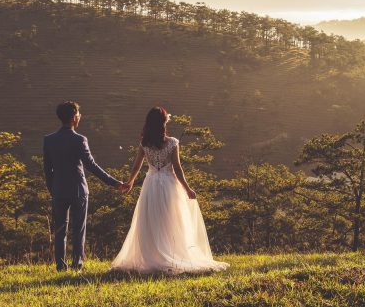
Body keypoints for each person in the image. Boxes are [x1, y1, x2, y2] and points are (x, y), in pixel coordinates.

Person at [111, 106, 229, 274]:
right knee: (171, 219)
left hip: (150, 184)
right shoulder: (172, 142)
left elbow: (137, 165)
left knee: (151, 219)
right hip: (169, 184)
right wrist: (187, 188)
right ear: (163, 123)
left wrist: (130, 182)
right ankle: (171, 253)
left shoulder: (144, 143)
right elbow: (177, 168)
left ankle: (153, 255)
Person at [43, 101, 127, 271]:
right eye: (79, 114)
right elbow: (91, 166)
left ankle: (60, 266)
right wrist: (114, 183)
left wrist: (53, 189)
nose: (80, 117)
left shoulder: (49, 140)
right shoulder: (80, 139)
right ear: (74, 118)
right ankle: (77, 266)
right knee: (78, 230)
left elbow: (47, 169)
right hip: (78, 190)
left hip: (58, 190)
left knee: (60, 230)